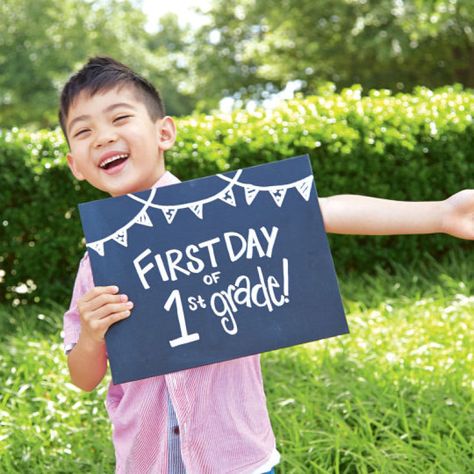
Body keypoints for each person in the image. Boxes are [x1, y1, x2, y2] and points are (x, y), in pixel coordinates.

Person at [60, 57, 474, 474]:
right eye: (84, 131)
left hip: (238, 459)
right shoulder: (96, 265)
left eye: (120, 118)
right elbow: (83, 377)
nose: (103, 137)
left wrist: (441, 214)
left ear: (164, 132)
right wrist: (93, 337)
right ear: (75, 165)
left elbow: (323, 211)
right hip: (146, 463)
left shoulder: (223, 217)